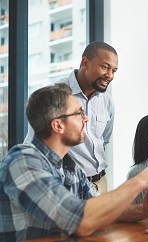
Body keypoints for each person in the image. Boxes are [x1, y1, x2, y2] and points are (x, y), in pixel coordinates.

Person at [0, 84, 148, 242]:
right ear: (58, 125)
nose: (86, 119)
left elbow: (101, 209)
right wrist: (139, 181)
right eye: (79, 113)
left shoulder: (71, 167)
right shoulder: (23, 161)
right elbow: (80, 220)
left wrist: (145, 211)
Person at [24, 41, 118, 194]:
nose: (110, 75)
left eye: (114, 70)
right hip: (66, 184)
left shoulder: (107, 101)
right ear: (85, 62)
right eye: (105, 67)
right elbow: (35, 143)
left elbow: (104, 139)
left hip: (100, 182)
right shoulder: (58, 94)